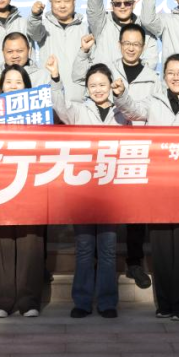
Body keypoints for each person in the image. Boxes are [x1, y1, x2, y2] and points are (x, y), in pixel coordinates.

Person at [113, 54, 179, 321]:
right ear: (164, 76)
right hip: (158, 188)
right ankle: (164, 304)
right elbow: (133, 110)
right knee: (162, 248)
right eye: (170, 72)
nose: (176, 77)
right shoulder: (154, 101)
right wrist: (121, 94)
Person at [70, 26, 160, 290]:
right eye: (127, 43)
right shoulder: (109, 70)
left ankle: (134, 263)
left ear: (144, 47)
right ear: (119, 44)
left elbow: (146, 112)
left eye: (137, 44)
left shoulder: (154, 78)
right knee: (97, 235)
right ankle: (94, 273)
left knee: (135, 215)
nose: (131, 47)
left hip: (137, 153)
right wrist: (82, 54)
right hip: (101, 159)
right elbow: (79, 80)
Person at [49, 57, 127, 318]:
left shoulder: (122, 113)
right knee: (84, 248)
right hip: (82, 192)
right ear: (87, 88)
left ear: (110, 85)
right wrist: (56, 79)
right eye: (92, 85)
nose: (97, 89)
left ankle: (107, 302)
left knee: (107, 250)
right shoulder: (79, 111)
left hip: (111, 193)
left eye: (102, 84)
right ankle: (82, 301)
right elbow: (59, 107)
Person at [0, 64, 47, 318]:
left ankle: (29, 300)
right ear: (0, 88)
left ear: (27, 87)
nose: (12, 86)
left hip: (30, 180)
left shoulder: (39, 114)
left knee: (30, 241)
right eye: (8, 82)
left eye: (18, 82)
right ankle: (0, 300)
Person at [85, 0, 158, 68]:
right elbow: (94, 10)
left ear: (134, 4)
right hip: (104, 77)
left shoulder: (145, 29)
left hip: (134, 77)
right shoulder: (101, 24)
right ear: (112, 5)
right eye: (117, 3)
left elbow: (150, 62)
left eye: (127, 3)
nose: (122, 6)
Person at [29, 0, 89, 90]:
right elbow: (34, 34)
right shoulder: (43, 26)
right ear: (50, 2)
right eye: (58, 1)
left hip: (78, 92)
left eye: (66, 1)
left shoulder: (85, 28)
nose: (62, 6)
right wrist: (35, 16)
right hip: (50, 89)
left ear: (74, 1)